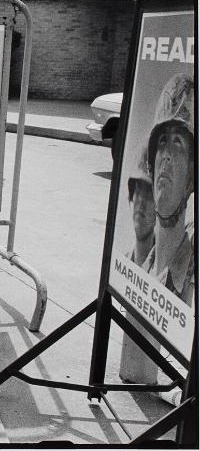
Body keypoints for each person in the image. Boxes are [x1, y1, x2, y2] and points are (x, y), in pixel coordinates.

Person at [141, 73, 194, 305]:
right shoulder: (142, 269)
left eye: (178, 143)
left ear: (192, 176)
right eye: (162, 141)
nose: (167, 157)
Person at [119, 145, 158, 384]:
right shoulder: (124, 259)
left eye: (149, 194)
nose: (141, 204)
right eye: (138, 192)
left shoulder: (163, 271)